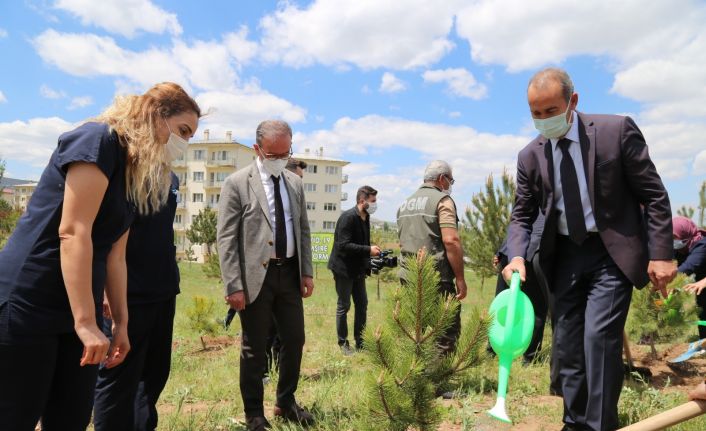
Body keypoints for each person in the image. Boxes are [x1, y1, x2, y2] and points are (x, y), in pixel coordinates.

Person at [0, 82, 200, 430]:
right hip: (30, 299)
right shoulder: (97, 140)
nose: (183, 143)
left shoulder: (132, 172)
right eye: (183, 130)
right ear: (155, 114)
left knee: (71, 417)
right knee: (16, 414)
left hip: (79, 306)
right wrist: (85, 323)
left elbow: (115, 255)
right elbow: (73, 231)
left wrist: (121, 324)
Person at [503, 67, 675, 431]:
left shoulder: (615, 132)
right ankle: (574, 420)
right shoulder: (530, 156)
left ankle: (598, 425)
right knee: (567, 344)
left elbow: (654, 195)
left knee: (598, 338)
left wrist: (661, 254)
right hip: (564, 256)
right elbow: (522, 215)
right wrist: (515, 255)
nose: (543, 120)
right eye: (536, 113)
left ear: (573, 101)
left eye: (550, 111)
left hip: (611, 252)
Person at [217, 120, 314, 431]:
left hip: (289, 275)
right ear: (257, 149)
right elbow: (226, 238)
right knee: (254, 347)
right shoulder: (237, 183)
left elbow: (303, 230)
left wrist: (307, 272)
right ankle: (254, 414)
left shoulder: (294, 183)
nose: (280, 159)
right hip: (254, 279)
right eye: (274, 154)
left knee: (295, 340)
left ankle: (285, 402)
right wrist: (234, 284)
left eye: (286, 152)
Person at [93, 172, 183, 431]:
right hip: (126, 291)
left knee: (155, 373)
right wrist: (107, 291)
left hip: (163, 289)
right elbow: (104, 232)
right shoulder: (125, 171)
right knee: (117, 376)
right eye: (183, 131)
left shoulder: (171, 178)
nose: (184, 141)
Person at [397, 160, 467, 356]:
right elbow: (451, 240)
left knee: (413, 331)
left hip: (407, 276)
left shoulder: (405, 203)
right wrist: (460, 278)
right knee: (445, 331)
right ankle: (438, 385)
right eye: (450, 180)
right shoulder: (442, 201)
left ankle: (412, 377)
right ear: (442, 179)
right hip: (436, 277)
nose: (450, 185)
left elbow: (402, 241)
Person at [264, 158, 306, 377]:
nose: (298, 183)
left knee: (291, 334)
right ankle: (264, 371)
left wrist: (305, 272)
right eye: (298, 177)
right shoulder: (257, 185)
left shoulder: (294, 190)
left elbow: (302, 230)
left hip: (289, 270)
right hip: (263, 272)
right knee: (265, 330)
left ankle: (282, 375)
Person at [328, 185, 381, 355]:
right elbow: (343, 246)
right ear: (361, 201)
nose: (375, 204)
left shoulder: (366, 217)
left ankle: (361, 342)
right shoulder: (347, 217)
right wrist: (368, 250)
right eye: (372, 201)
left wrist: (370, 259)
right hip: (343, 269)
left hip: (358, 269)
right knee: (344, 305)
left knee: (362, 304)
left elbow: (363, 243)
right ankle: (343, 343)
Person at [492, 213, 548, 365]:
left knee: (502, 302)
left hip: (510, 252)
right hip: (534, 250)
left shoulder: (530, 199)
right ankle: (530, 358)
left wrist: (500, 252)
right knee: (537, 308)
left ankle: (491, 349)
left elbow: (518, 226)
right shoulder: (552, 198)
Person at [672, 216, 706, 338]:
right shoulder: (682, 249)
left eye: (674, 237)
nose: (672, 241)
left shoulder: (702, 244)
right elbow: (672, 265)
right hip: (700, 285)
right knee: (703, 312)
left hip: (703, 282)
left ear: (684, 232)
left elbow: (687, 267)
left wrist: (667, 280)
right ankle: (704, 343)